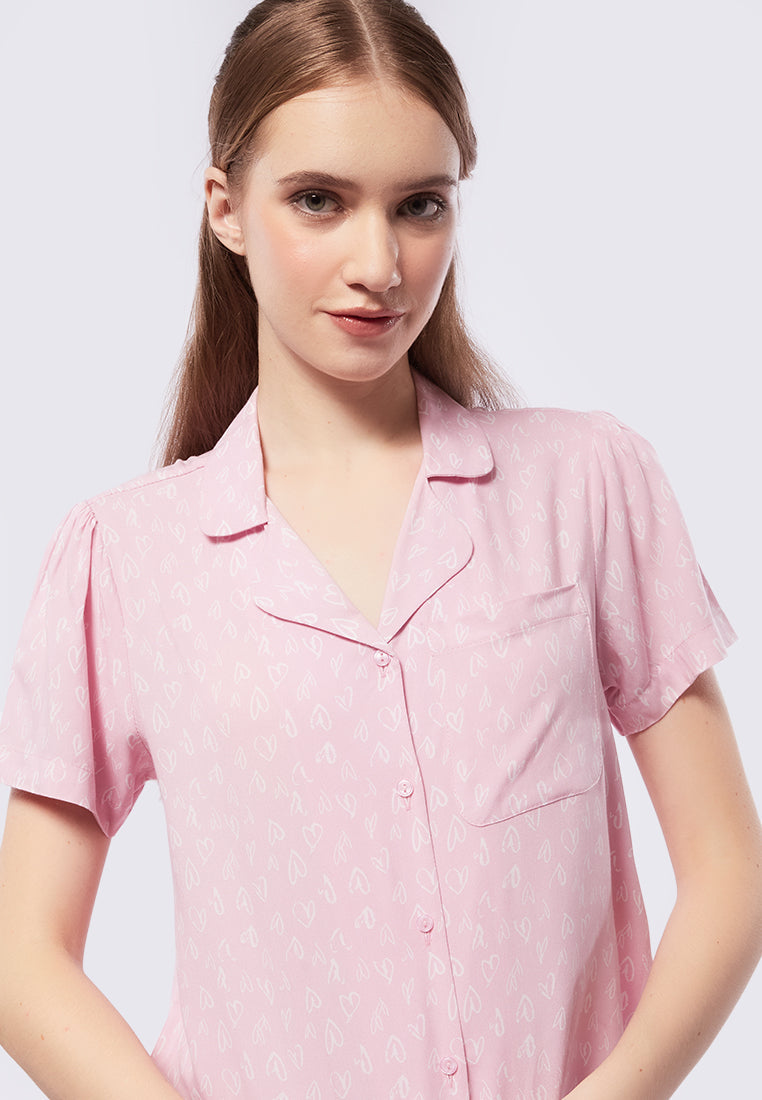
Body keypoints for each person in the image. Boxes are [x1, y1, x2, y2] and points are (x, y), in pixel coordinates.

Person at [0, 1, 760, 1098]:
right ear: (225, 209)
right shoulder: (123, 559)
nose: (380, 262)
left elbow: (730, 870)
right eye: (319, 199)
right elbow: (23, 955)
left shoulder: (586, 486)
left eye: (419, 206)